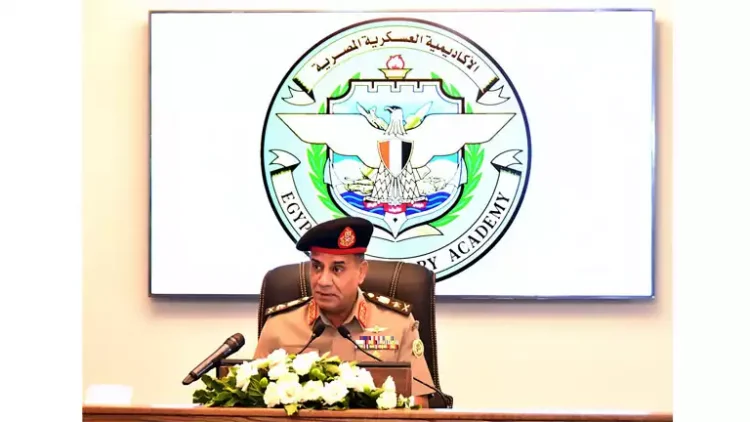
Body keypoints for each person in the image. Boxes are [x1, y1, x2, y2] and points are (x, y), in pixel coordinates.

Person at [253, 216, 436, 407]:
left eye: (337, 269)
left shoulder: (398, 325)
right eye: (316, 267)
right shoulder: (279, 325)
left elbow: (419, 402)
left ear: (361, 272)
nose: (323, 281)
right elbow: (252, 399)